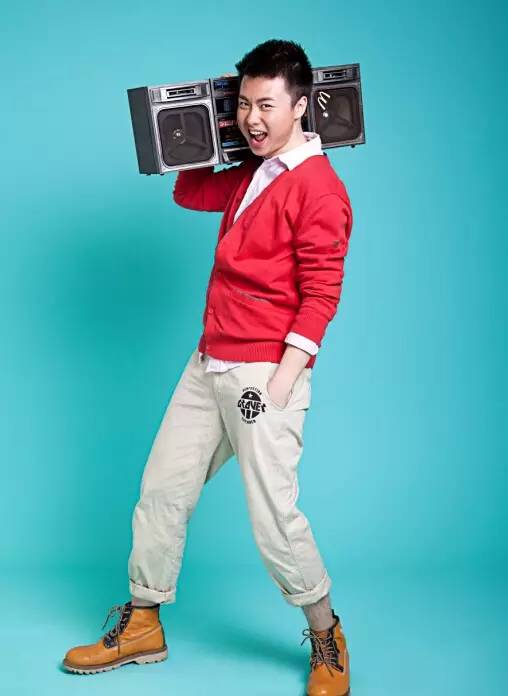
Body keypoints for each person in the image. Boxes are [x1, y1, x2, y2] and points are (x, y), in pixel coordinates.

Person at [62, 38, 353, 696]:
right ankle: (143, 621)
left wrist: (282, 381)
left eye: (267, 105)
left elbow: (321, 294)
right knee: (162, 490)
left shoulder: (319, 188)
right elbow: (189, 191)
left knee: (273, 518)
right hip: (209, 361)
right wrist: (218, 119)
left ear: (301, 105)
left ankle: (327, 633)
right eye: (245, 104)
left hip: (261, 376)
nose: (254, 118)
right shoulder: (255, 170)